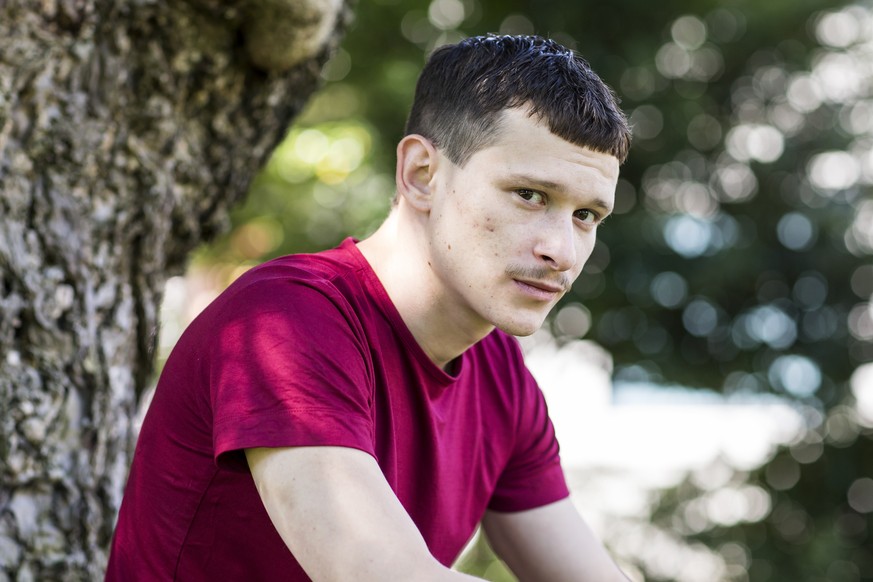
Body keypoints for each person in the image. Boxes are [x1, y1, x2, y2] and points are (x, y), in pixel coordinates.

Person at [106, 34, 632, 581]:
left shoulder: (500, 377)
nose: (562, 251)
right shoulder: (286, 320)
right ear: (422, 174)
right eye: (529, 195)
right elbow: (378, 573)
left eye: (587, 216)